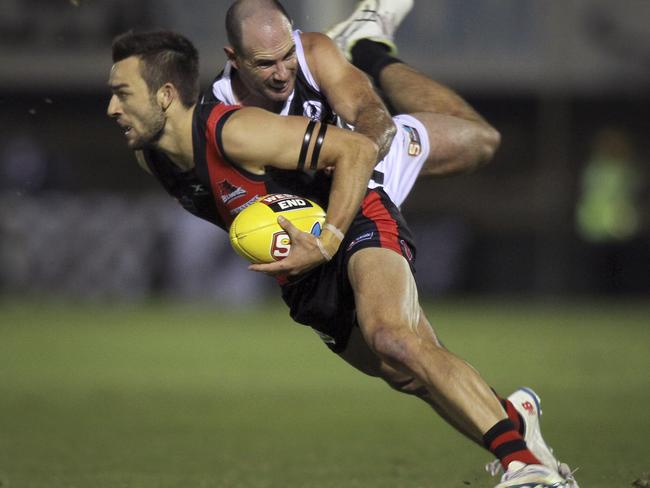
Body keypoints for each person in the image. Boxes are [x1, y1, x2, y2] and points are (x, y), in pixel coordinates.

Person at [107, 30, 573, 487]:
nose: (112, 108)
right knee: (405, 373)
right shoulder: (155, 159)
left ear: (166, 95)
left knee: (395, 338)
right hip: (305, 271)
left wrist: (328, 239)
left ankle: (527, 471)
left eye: (122, 94)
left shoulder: (234, 130)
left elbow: (357, 148)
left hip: (349, 221)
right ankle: (515, 419)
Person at [209, 0, 499, 209]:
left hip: (369, 157)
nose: (282, 74)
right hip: (310, 210)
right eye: (265, 64)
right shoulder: (217, 112)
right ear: (234, 58)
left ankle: (365, 49)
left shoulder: (312, 53)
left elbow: (373, 114)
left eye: (287, 55)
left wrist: (355, 156)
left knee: (482, 140)